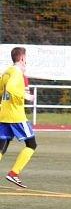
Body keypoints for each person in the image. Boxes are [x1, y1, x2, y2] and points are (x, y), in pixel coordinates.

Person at [0, 47, 38, 188]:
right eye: (25, 57)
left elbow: (1, 89)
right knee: (32, 144)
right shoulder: (16, 72)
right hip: (16, 116)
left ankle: (14, 173)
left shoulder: (7, 72)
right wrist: (26, 96)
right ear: (22, 58)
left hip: (4, 114)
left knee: (2, 147)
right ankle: (14, 173)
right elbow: (10, 88)